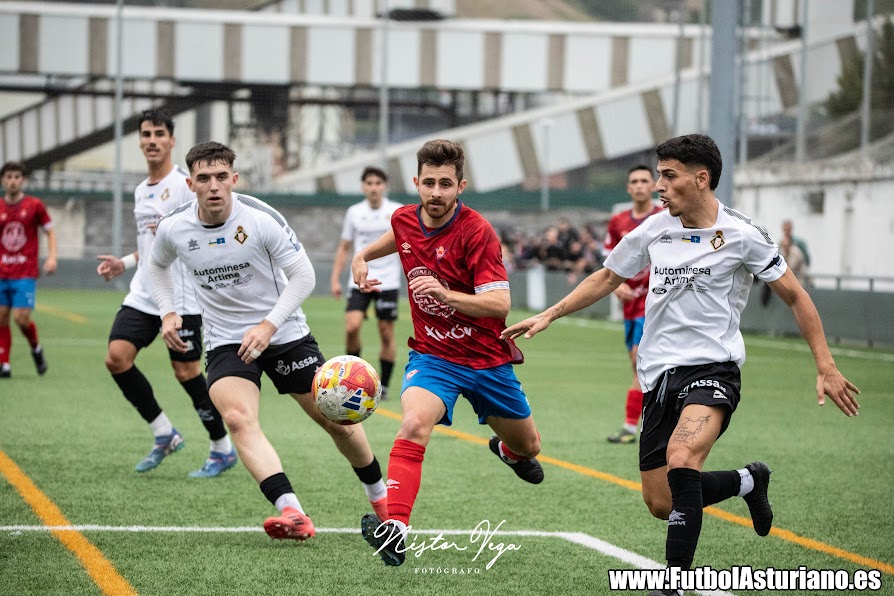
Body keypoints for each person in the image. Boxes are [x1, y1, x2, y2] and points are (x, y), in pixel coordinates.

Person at [502, 134, 860, 596]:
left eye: (668, 176)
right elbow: (609, 276)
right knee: (661, 500)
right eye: (658, 176)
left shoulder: (743, 234)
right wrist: (551, 312)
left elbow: (795, 295)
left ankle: (673, 580)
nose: (659, 186)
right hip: (659, 376)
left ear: (701, 178)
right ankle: (749, 481)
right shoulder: (654, 228)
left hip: (714, 370)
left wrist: (826, 365)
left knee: (681, 457)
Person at [147, 141, 388, 540]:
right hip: (227, 341)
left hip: (286, 334)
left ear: (234, 179)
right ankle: (292, 512)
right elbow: (157, 266)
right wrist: (167, 311)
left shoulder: (260, 218)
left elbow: (304, 276)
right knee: (239, 420)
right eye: (203, 178)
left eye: (221, 177)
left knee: (337, 424)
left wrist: (268, 325)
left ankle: (381, 501)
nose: (213, 186)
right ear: (190, 184)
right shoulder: (174, 227)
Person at [351, 139, 544, 566]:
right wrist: (361, 256)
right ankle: (396, 530)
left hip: (488, 361)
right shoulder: (404, 218)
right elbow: (396, 238)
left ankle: (508, 452)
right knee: (415, 422)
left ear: (461, 186)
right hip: (433, 357)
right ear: (417, 183)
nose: (436, 193)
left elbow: (499, 305)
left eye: (446, 184)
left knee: (529, 446)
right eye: (429, 183)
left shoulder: (477, 232)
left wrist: (444, 293)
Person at [96, 109, 235, 478]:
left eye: (159, 133)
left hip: (183, 296)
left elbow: (190, 238)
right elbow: (152, 245)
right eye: (146, 134)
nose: (152, 140)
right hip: (145, 290)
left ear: (172, 140)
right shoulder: (142, 190)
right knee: (116, 357)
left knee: (187, 372)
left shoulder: (186, 185)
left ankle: (221, 447)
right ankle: (164, 433)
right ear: (140, 141)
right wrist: (124, 262)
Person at [330, 166, 403, 400]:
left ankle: (385, 386)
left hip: (388, 280)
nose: (374, 188)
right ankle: (352, 378)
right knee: (351, 326)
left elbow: (407, 246)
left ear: (385, 187)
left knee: (386, 332)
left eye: (378, 183)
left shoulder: (397, 211)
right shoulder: (354, 212)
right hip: (359, 280)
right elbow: (345, 246)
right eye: (369, 183)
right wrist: (335, 277)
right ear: (363, 187)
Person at [603, 165, 662, 445]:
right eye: (634, 181)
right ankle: (640, 423)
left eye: (644, 181)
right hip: (630, 305)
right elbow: (609, 261)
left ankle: (632, 426)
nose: (639, 186)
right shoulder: (617, 222)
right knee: (636, 365)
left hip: (655, 304)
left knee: (641, 360)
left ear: (653, 186)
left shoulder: (663, 217)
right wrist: (619, 286)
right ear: (628, 188)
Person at [0, 161, 57, 378]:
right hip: (1, 272)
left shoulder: (34, 205)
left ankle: (36, 347)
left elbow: (50, 232)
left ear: (22, 180)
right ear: (3, 180)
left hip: (25, 272)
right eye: (9, 177)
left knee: (20, 318)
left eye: (16, 177)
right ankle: (4, 363)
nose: (13, 181)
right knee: (1, 317)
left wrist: (52, 257)